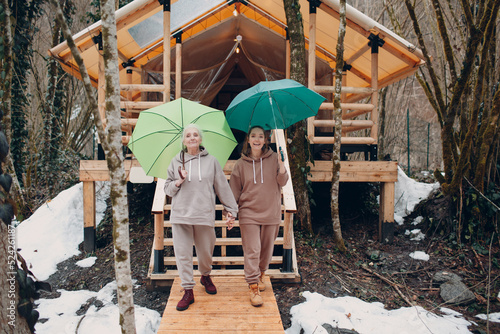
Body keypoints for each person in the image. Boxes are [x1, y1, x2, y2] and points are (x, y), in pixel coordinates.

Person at [164, 124, 237, 311]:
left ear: (200, 138)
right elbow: (168, 189)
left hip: (204, 214)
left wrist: (231, 210)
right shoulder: (175, 161)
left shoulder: (211, 161)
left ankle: (205, 275)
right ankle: (188, 290)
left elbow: (222, 186)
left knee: (205, 252)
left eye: (195, 134)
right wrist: (178, 181)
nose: (192, 138)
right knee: (183, 255)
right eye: (188, 135)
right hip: (181, 215)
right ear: (183, 140)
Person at [228, 125, 288, 307]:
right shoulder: (240, 164)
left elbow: (282, 182)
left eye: (260, 136)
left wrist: (283, 166)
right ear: (248, 139)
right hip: (249, 213)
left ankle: (261, 273)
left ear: (265, 140)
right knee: (252, 250)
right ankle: (253, 285)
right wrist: (231, 212)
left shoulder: (274, 159)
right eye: (253, 136)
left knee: (267, 250)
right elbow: (234, 192)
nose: (257, 139)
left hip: (271, 211)